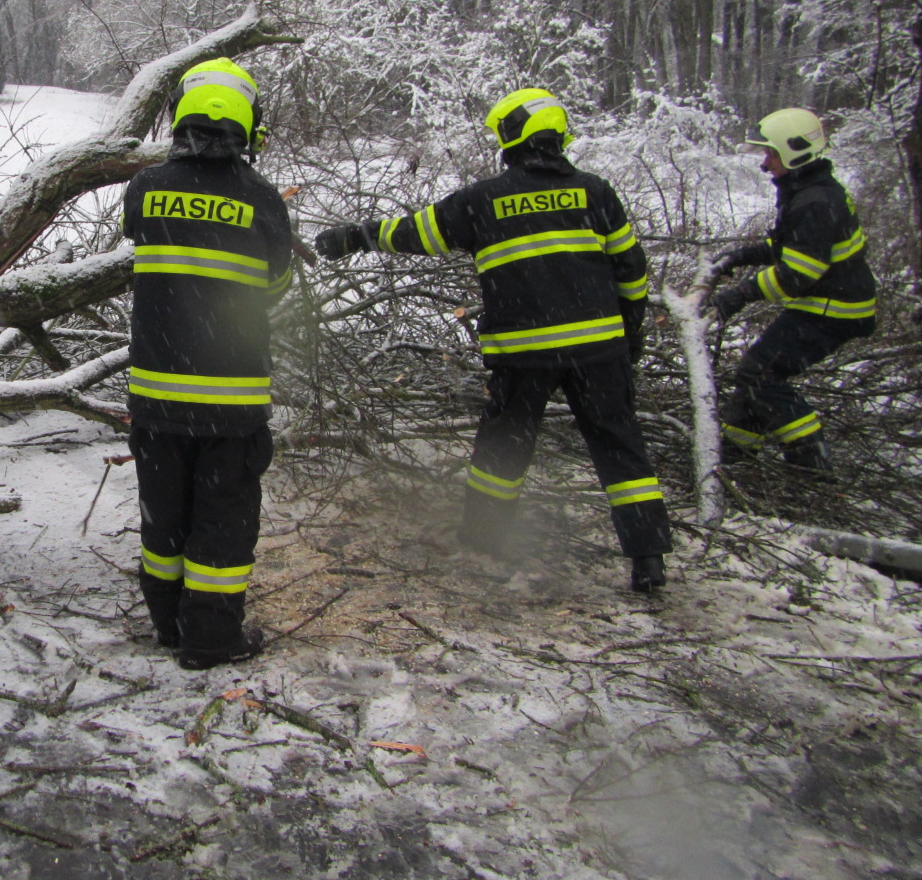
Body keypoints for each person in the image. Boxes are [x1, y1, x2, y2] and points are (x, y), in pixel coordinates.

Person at [313, 89, 672, 593]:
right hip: (599, 350)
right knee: (619, 445)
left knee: (506, 441)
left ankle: (486, 535)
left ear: (511, 138)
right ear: (557, 136)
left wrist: (357, 236)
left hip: (524, 353)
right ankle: (649, 558)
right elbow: (632, 270)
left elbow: (419, 232)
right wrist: (629, 335)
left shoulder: (483, 200)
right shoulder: (595, 192)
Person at [122, 57, 293, 671]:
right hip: (231, 398)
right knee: (222, 521)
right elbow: (276, 281)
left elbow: (138, 235)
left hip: (156, 393)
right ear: (249, 123)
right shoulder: (262, 198)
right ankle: (211, 638)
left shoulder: (146, 187)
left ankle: (168, 624)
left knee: (162, 514)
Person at [708, 108, 876, 470]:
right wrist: (742, 256)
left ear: (795, 151)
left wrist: (738, 295)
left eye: (771, 154)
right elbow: (790, 246)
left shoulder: (815, 201)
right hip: (828, 302)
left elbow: (797, 275)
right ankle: (737, 455)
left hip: (836, 309)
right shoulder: (807, 190)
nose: (766, 164)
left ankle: (810, 463)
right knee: (755, 373)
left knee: (761, 373)